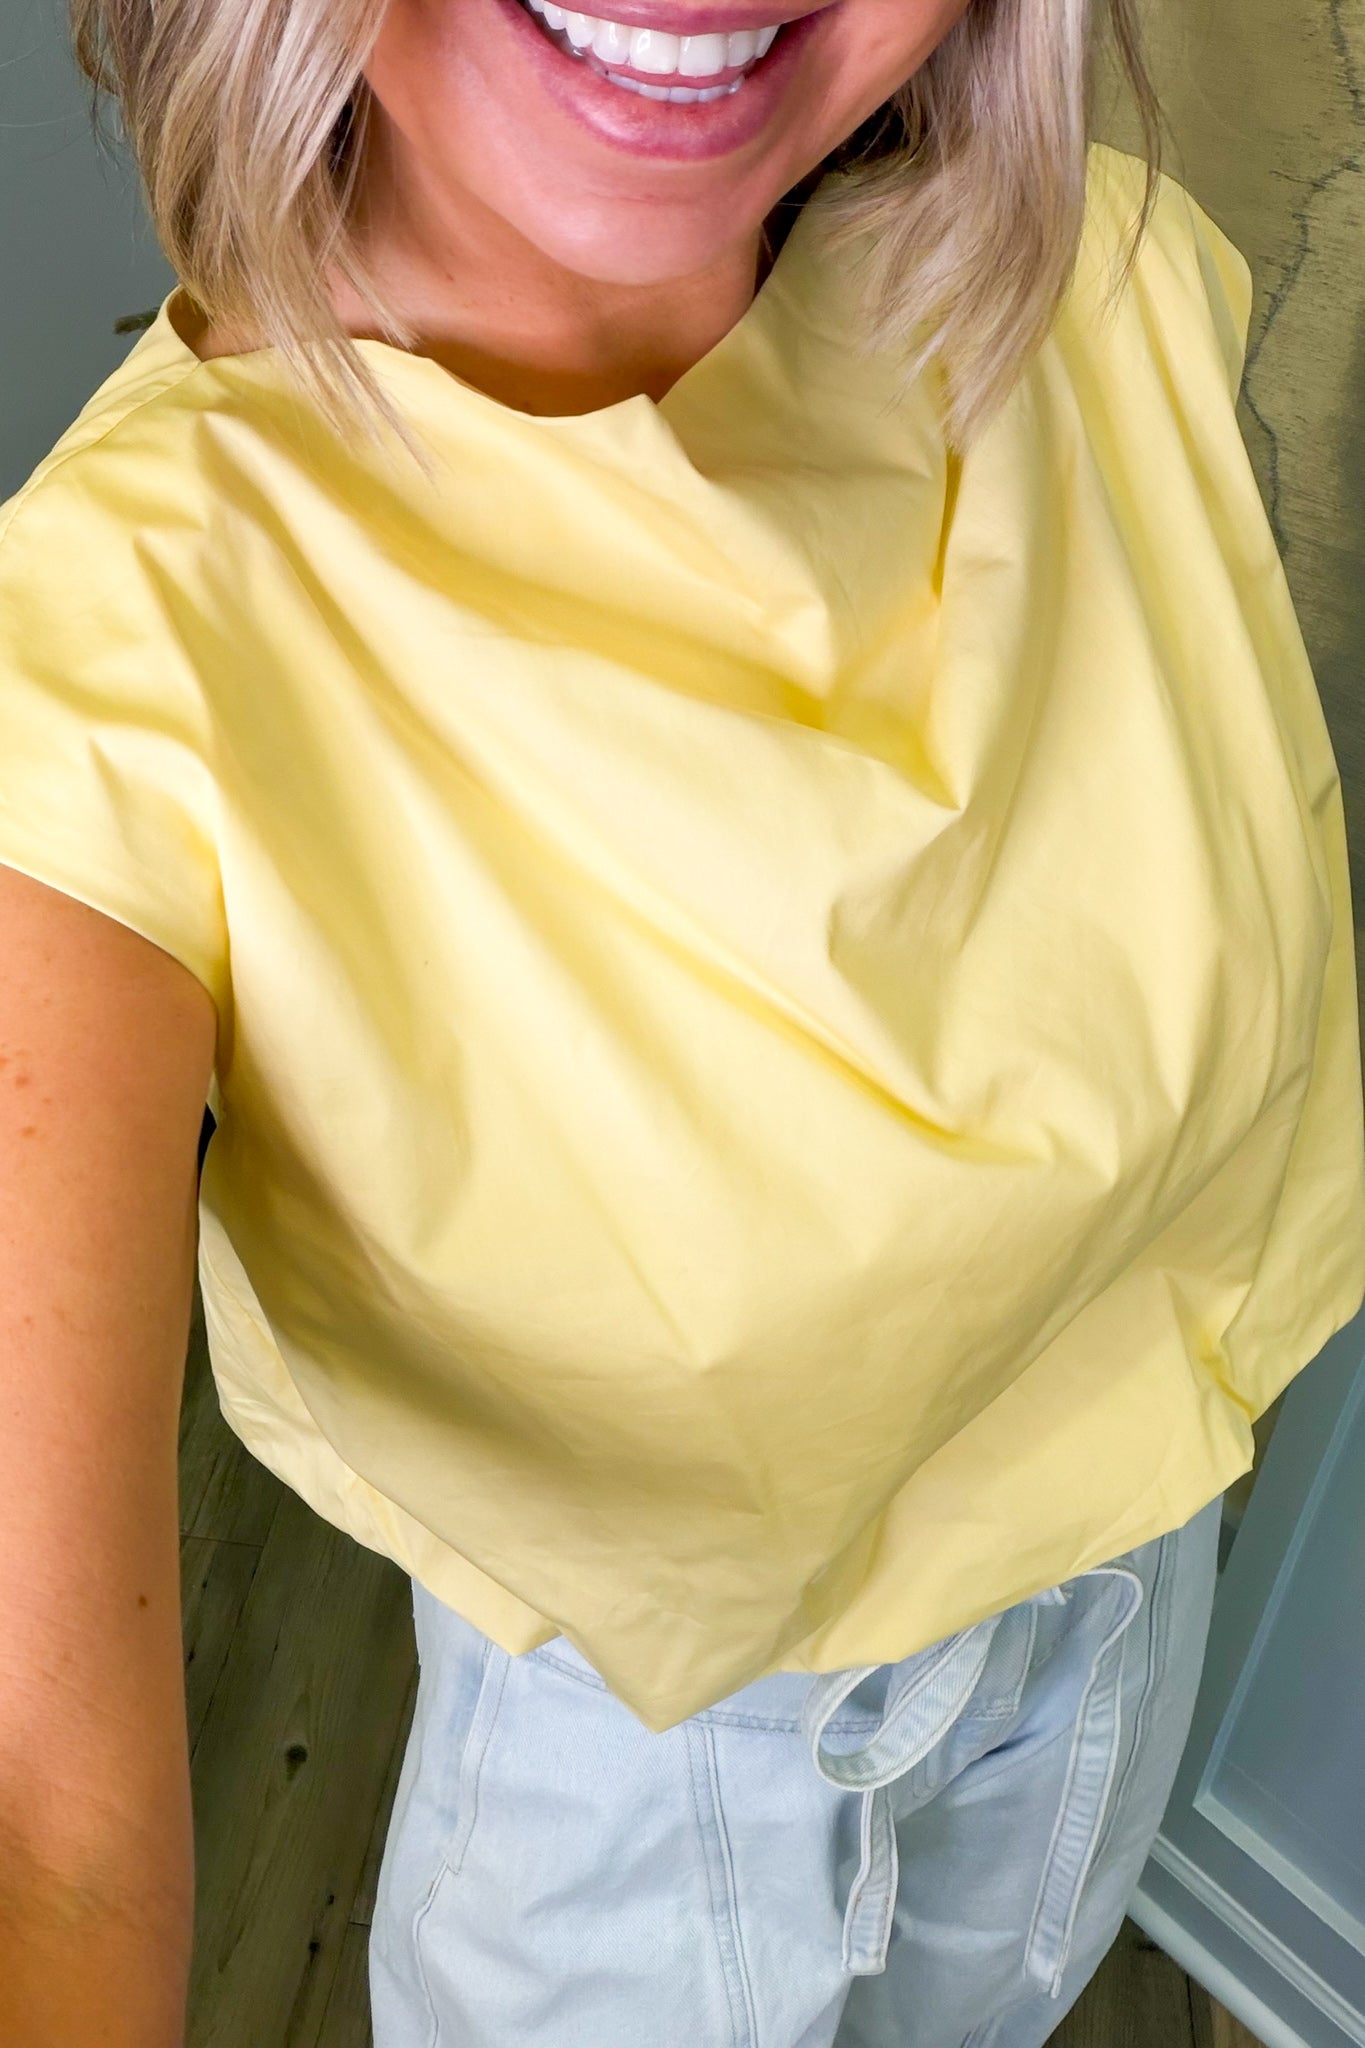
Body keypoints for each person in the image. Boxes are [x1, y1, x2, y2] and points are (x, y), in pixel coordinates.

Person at [1, 0, 1362, 2039]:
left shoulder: (1098, 291)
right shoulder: (105, 667)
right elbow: (45, 1826)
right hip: (653, 1766)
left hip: (1118, 1588)